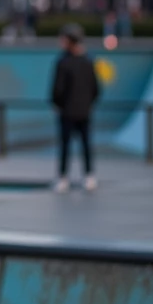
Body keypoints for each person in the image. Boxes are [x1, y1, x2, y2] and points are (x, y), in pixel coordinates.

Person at [51, 25, 100, 191]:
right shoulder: (88, 61)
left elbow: (57, 89)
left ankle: (63, 177)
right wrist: (89, 104)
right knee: (85, 144)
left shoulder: (63, 62)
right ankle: (89, 175)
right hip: (84, 111)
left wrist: (57, 105)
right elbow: (96, 89)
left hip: (67, 112)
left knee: (66, 146)